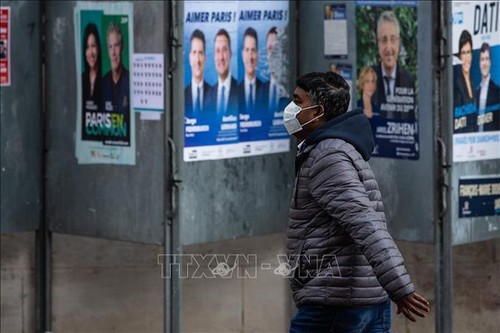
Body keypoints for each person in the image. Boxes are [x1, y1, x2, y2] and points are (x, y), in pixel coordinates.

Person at [284, 72, 430, 333]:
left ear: (318, 111)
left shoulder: (328, 157)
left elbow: (365, 223)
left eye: (298, 101)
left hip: (336, 304)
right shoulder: (336, 149)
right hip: (357, 298)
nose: (290, 109)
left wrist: (399, 286)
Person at [372, 11, 415, 120]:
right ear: (378, 44)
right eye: (384, 40)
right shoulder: (370, 78)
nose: (389, 47)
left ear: (399, 43)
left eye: (393, 39)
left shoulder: (408, 80)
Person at [238, 27, 268, 114]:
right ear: (242, 54)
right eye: (247, 50)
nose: (250, 57)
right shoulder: (235, 93)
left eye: (253, 50)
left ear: (257, 55)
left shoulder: (266, 92)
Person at [184, 29, 214, 118]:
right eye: (194, 52)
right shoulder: (182, 97)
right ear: (189, 58)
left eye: (200, 53)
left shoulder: (214, 95)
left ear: (205, 58)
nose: (197, 60)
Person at [81, 23, 103, 141]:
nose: (90, 53)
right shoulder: (81, 79)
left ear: (99, 47)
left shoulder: (106, 79)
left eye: (93, 46)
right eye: (87, 47)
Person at [102, 21, 130, 115]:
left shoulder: (130, 81)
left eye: (116, 46)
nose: (113, 53)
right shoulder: (103, 83)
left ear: (122, 48)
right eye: (110, 47)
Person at [453, 29, 476, 133]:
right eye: (463, 53)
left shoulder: (473, 83)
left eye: (468, 52)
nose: (466, 58)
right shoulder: (455, 83)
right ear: (459, 55)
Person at [474, 42, 500, 132]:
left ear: (490, 62)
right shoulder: (475, 93)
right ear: (479, 63)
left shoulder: (497, 92)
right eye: (482, 59)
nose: (484, 63)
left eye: (486, 59)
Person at [213, 29, 238, 117]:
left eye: (225, 50)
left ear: (230, 54)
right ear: (214, 56)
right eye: (218, 51)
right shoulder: (207, 96)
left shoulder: (240, 91)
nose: (221, 57)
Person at [266, 26, 288, 113]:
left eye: (276, 49)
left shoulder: (291, 87)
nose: (272, 55)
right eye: (270, 49)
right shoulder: (259, 91)